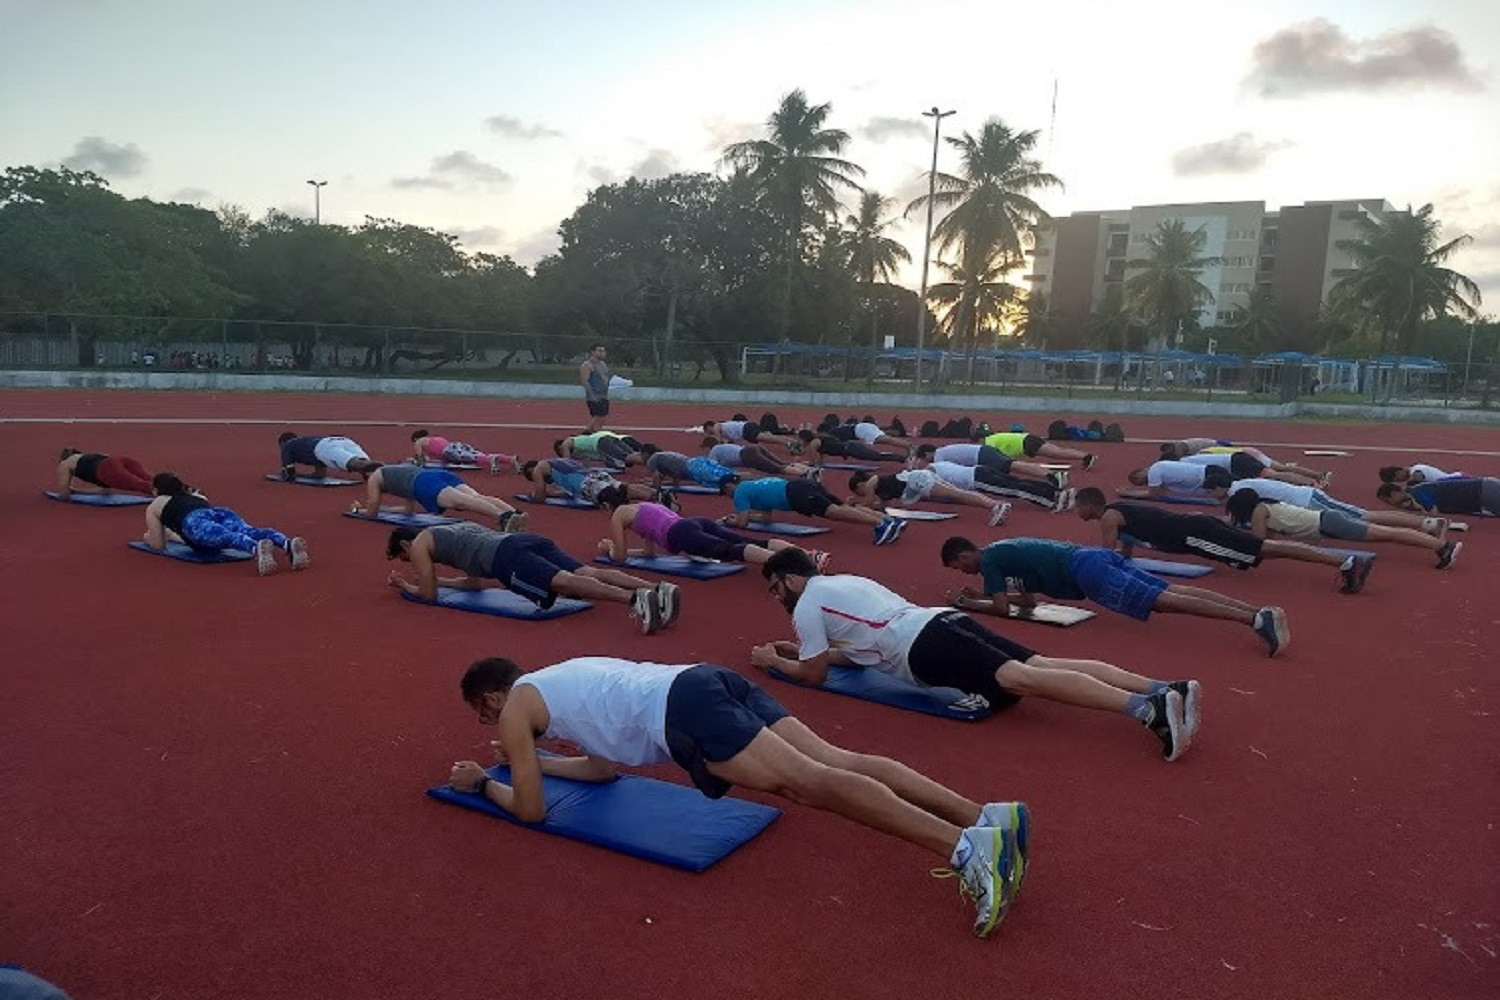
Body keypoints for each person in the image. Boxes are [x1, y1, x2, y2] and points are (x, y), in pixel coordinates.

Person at [448, 654, 1027, 937]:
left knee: (805, 782)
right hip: (703, 679)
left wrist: (482, 784)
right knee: (833, 761)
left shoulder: (517, 709)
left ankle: (965, 847)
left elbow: (531, 809)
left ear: (492, 699)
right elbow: (601, 771)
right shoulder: (557, 682)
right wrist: (543, 762)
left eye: (482, 713)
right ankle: (984, 816)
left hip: (682, 708)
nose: (487, 726)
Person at [751, 549, 1202, 761]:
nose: (776, 599)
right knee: (1039, 666)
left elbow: (811, 677)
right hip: (941, 622)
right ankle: (1162, 689)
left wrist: (773, 661)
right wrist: (816, 653)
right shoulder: (847, 581)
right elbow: (856, 652)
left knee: (1023, 679)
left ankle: (1147, 710)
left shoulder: (807, 603)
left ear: (791, 579)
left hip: (922, 646)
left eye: (775, 589)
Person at [939, 536, 1289, 657]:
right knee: (1169, 590)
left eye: (959, 566)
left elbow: (1001, 607)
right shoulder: (1003, 552)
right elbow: (1027, 603)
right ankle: (1258, 612)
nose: (963, 572)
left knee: (1165, 601)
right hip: (1092, 557)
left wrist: (970, 604)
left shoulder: (991, 561)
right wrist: (983, 598)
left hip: (1087, 571)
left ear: (964, 554)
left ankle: (1253, 619)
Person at [386, 523, 676, 634]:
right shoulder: (451, 531)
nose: (410, 561)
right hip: (523, 540)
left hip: (504, 556)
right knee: (586, 572)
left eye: (405, 558)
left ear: (405, 546)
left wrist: (406, 585)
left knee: (562, 582)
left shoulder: (421, 543)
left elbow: (427, 595)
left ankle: (634, 599)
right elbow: (473, 584)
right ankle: (655, 589)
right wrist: (442, 581)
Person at [1074, 487, 1374, 593]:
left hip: (1196, 535)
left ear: (1090, 504)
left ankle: (1343, 561)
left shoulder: (1108, 518)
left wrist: (1093, 577)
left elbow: (1108, 556)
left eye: (1078, 506)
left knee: (1266, 550)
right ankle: (1343, 561)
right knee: (1266, 549)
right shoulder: (1119, 512)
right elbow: (1125, 549)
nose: (1077, 511)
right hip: (1197, 528)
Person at [1226, 487, 1460, 570]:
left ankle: (1442, 546)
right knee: (1386, 534)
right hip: (1328, 521)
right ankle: (1439, 545)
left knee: (1388, 534)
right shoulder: (1267, 506)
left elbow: (1258, 542)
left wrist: (1234, 542)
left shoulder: (1259, 511)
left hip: (1329, 522)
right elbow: (1274, 541)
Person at [595, 491, 830, 570]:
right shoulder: (643, 507)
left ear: (606, 505)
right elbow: (648, 554)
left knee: (732, 551)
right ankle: (807, 554)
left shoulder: (618, 514)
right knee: (751, 541)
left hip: (680, 534)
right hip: (694, 523)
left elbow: (620, 557)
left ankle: (797, 565)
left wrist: (609, 549)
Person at [143, 473, 309, 576]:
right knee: (248, 530)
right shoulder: (194, 495)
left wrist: (148, 537)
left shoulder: (156, 505)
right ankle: (287, 543)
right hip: (217, 512)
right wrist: (173, 535)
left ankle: (254, 548)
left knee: (227, 537)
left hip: (193, 522)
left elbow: (159, 544)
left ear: (157, 490)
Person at [723, 477, 906, 545]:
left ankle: (881, 524)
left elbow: (742, 523)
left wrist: (731, 521)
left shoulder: (739, 493)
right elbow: (766, 518)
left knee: (834, 512)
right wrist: (749, 517)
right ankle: (889, 521)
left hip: (796, 494)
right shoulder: (752, 486)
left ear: (730, 488)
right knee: (841, 508)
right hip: (801, 485)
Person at [1228, 477, 1446, 535]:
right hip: (1306, 500)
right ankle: (1426, 524)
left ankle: (1428, 524)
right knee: (1365, 517)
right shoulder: (1241, 484)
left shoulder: (1235, 492)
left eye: (1211, 491)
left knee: (1366, 517)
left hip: (1309, 500)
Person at [350, 464, 528, 530]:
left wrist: (361, 510)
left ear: (367, 474)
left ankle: (503, 518)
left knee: (463, 502)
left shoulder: (374, 477)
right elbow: (408, 510)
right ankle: (513, 513)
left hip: (423, 483)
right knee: (476, 497)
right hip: (435, 474)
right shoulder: (395, 471)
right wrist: (380, 508)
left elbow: (372, 509)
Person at [908, 449, 1073, 512]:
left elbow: (938, 489)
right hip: (979, 470)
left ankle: (1051, 499)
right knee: (1016, 483)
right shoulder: (939, 463)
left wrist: (911, 473)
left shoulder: (929, 470)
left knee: (1015, 489)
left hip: (977, 478)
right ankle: (1056, 493)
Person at [847, 469, 1014, 526]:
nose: (860, 494)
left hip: (917, 480)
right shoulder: (880, 489)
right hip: (919, 479)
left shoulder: (871, 482)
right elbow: (881, 507)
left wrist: (854, 504)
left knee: (956, 494)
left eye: (858, 492)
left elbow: (868, 504)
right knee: (959, 494)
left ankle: (994, 506)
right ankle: (995, 504)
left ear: (860, 485)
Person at [916, 443, 1066, 487]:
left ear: (927, 454)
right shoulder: (944, 450)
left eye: (922, 459)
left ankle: (1050, 475)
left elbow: (935, 475)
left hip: (982, 456)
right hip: (983, 453)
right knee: (1012, 468)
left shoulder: (938, 455)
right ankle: (1049, 475)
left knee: (1014, 466)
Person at [521, 459, 658, 506]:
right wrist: (552, 494)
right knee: (623, 487)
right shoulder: (556, 462)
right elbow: (566, 492)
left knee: (616, 496)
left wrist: (533, 496)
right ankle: (655, 494)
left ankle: (651, 498)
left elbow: (539, 497)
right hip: (595, 475)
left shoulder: (539, 468)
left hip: (585, 484)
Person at [1177, 450, 1325, 488]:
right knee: (1276, 472)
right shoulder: (1190, 459)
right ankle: (1314, 479)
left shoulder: (1184, 463)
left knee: (1275, 475)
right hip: (1237, 460)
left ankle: (1312, 482)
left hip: (1238, 461)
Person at [411, 429, 518, 476]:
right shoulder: (436, 438)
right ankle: (510, 459)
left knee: (474, 459)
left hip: (450, 451)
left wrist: (417, 465)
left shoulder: (419, 442)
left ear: (416, 438)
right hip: (455, 445)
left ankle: (491, 460)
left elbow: (419, 457)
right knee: (479, 455)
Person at [277, 431, 382, 479]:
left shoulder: (287, 446)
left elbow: (289, 472)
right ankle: (377, 471)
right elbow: (320, 473)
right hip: (342, 440)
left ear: (282, 443)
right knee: (364, 464)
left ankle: (385, 468)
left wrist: (287, 473)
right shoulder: (305, 443)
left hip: (324, 446)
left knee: (353, 463)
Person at [1376, 477, 1499, 517]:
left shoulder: (1417, 493)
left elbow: (1433, 513)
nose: (1390, 504)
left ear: (1394, 493)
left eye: (1388, 500)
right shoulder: (1417, 491)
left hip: (1485, 492)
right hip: (1485, 489)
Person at [974, 430, 1097, 470]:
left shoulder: (988, 443)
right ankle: (1085, 456)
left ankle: (1086, 456)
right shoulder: (992, 438)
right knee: (1057, 451)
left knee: (1056, 453)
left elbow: (994, 457)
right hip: (1027, 440)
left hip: (1027, 443)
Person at [637, 444, 738, 492]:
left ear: (645, 453)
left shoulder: (652, 460)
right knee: (728, 474)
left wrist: (654, 489)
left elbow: (656, 476)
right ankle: (749, 479)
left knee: (724, 479)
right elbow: (675, 480)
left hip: (694, 468)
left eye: (641, 455)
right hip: (697, 461)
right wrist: (664, 483)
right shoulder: (663, 457)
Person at [55, 448, 154, 497]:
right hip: (118, 460)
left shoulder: (65, 464)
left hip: (106, 469)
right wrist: (78, 491)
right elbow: (105, 492)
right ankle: (168, 483)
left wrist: (68, 492)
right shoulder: (87, 456)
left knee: (139, 485)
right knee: (152, 479)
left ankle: (167, 497)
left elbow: (64, 494)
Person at [705, 440, 818, 479]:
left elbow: (711, 468)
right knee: (782, 464)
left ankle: (807, 472)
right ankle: (808, 468)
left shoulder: (713, 451)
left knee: (777, 469)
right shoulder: (723, 446)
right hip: (753, 448)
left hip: (747, 455)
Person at [1121, 460, 1232, 498]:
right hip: (1207, 475)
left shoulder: (1154, 470)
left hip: (1209, 475)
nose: (1144, 483)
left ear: (1141, 471)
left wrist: (1130, 494)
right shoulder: (1158, 471)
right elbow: (1157, 492)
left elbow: (1153, 494)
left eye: (1140, 480)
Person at [818, 417, 912, 457]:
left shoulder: (832, 433)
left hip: (861, 430)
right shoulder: (835, 431)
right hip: (863, 427)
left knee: (886, 440)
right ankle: (907, 445)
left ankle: (909, 446)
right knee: (886, 440)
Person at [795, 429, 899, 464]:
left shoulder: (814, 443)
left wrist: (802, 462)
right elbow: (820, 457)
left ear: (805, 438)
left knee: (876, 456)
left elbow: (813, 462)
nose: (799, 441)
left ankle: (902, 458)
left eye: (800, 439)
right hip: (850, 448)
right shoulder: (817, 441)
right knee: (876, 456)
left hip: (851, 448)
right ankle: (901, 458)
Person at [554, 432, 645, 470]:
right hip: (606, 439)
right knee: (632, 454)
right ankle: (650, 459)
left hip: (601, 442)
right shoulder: (577, 448)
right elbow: (585, 463)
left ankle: (651, 463)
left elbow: (566, 462)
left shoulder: (567, 442)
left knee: (626, 457)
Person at [703, 419, 801, 451]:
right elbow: (730, 442)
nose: (710, 433)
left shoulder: (716, 426)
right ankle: (793, 442)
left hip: (746, 430)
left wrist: (713, 446)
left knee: (770, 439)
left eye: (708, 431)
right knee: (769, 438)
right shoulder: (724, 429)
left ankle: (791, 444)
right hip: (747, 429)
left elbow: (718, 440)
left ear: (709, 426)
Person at [580, 343, 611, 433]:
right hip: (594, 396)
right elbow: (585, 381)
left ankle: (594, 434)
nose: (602, 353)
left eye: (603, 351)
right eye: (599, 351)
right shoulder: (587, 365)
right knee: (597, 417)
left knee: (603, 417)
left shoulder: (603, 364)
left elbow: (605, 378)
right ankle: (585, 433)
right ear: (593, 352)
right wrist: (592, 396)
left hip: (604, 395)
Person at [1378, 464, 1464, 485]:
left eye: (1397, 479)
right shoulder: (1415, 468)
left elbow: (1417, 477)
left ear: (1398, 473)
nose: (1400, 481)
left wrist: (1406, 488)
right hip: (1455, 480)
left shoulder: (1416, 470)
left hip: (1458, 481)